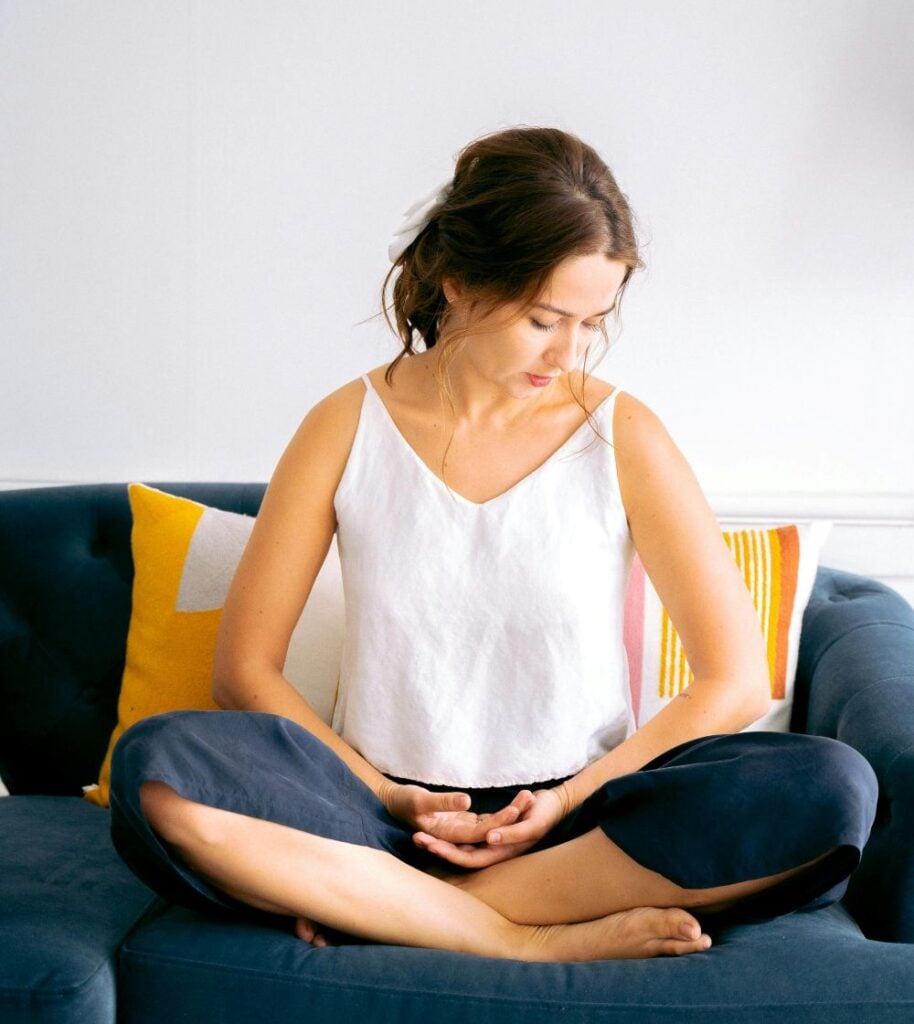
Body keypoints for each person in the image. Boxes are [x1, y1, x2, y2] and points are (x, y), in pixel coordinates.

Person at [108, 125, 879, 964]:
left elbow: (733, 681)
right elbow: (244, 671)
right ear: (460, 280)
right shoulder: (343, 425)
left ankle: (397, 909)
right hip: (373, 816)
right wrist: (389, 796)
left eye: (592, 323)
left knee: (831, 788)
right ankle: (522, 938)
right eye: (545, 319)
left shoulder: (623, 434)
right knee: (160, 769)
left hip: (574, 826)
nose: (569, 352)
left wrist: (567, 802)